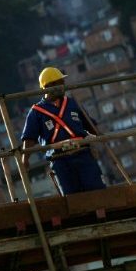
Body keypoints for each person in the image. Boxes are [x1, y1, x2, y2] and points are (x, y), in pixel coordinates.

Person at [21, 67, 106, 195]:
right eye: (58, 83)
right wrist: (25, 159)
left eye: (62, 83)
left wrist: (99, 135)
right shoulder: (36, 112)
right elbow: (29, 138)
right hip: (60, 159)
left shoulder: (72, 103)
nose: (62, 86)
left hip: (82, 153)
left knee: (96, 190)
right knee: (72, 197)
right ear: (47, 87)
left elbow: (89, 124)